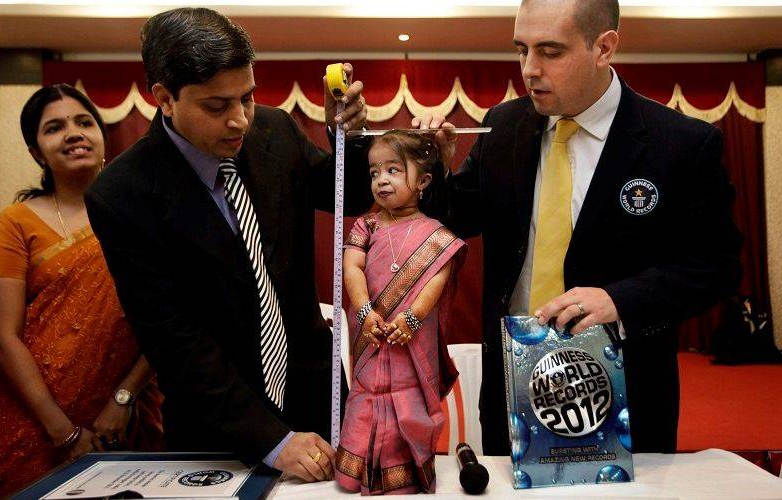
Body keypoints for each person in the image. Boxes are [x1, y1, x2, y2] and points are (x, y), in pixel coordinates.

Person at [414, 0, 741, 454]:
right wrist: (433, 170)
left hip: (626, 391)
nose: (529, 69)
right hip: (513, 386)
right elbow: (458, 219)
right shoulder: (503, 126)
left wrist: (618, 300)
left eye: (550, 52)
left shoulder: (681, 144)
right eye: (522, 50)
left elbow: (716, 268)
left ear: (604, 48)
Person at [84, 8, 372, 482]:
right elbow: (174, 341)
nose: (240, 120)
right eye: (217, 107)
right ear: (165, 98)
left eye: (247, 97)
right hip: (218, 432)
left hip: (318, 400)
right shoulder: (121, 194)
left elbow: (350, 195)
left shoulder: (276, 131)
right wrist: (273, 440)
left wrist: (350, 137)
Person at [0, 84, 163, 499]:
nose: (74, 133)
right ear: (36, 152)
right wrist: (63, 432)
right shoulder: (16, 223)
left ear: (102, 137)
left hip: (121, 417)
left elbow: (168, 319)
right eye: (55, 128)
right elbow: (2, 338)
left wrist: (123, 399)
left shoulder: (143, 214)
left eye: (84, 122)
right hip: (31, 420)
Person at [335, 131, 465, 494]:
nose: (381, 180)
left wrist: (411, 319)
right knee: (366, 395)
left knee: (407, 401)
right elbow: (351, 267)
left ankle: (403, 475)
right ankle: (356, 472)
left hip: (411, 339)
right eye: (374, 172)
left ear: (422, 181)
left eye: (393, 170)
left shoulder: (435, 233)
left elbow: (437, 280)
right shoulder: (366, 225)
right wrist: (365, 312)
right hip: (372, 334)